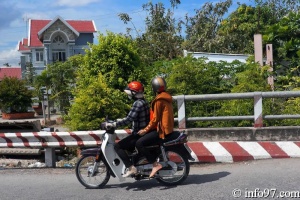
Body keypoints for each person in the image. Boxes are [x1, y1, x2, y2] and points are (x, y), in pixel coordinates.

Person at [106, 81, 150, 177]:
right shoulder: (144, 101)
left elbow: (129, 119)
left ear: (134, 93)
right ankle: (135, 166)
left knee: (118, 147)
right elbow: (131, 117)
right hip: (143, 132)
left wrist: (114, 124)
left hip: (138, 133)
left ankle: (131, 168)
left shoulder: (137, 104)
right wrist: (116, 121)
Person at [136, 76, 174, 178]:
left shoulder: (159, 100)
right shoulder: (166, 97)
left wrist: (145, 130)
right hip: (168, 129)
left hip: (162, 131)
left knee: (139, 143)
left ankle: (154, 164)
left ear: (154, 88)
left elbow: (155, 119)